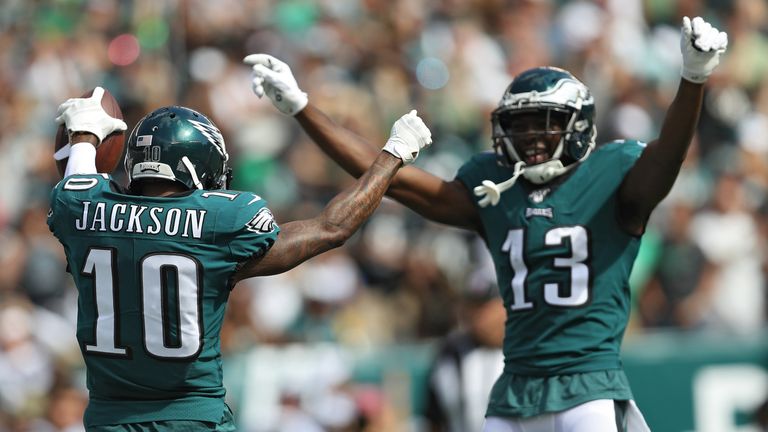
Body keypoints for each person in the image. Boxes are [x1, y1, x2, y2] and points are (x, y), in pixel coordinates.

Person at [244, 15, 727, 432]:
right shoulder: (495, 186)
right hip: (514, 391)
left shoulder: (615, 174)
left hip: (590, 388)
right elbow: (394, 181)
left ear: (578, 126)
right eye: (520, 126)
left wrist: (693, 77)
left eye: (546, 123)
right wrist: (303, 109)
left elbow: (668, 157)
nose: (533, 138)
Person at [47, 85, 432, 430]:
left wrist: (85, 134)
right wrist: (392, 155)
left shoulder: (81, 209)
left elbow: (78, 183)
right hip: (191, 417)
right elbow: (332, 228)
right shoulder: (217, 224)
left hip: (108, 421)